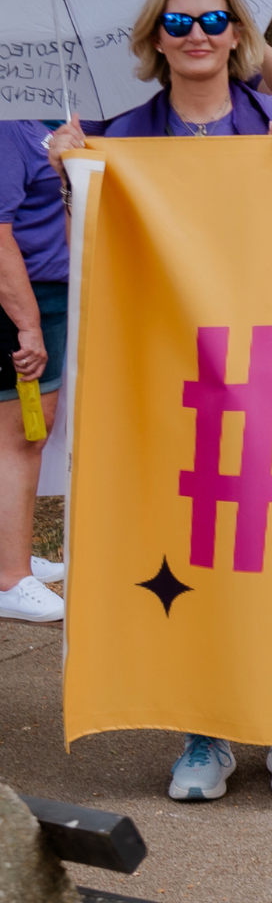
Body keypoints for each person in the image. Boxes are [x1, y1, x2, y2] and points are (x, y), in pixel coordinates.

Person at [45, 0, 272, 801]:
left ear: (237, 33)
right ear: (154, 41)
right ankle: (204, 733)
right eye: (176, 23)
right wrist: (74, 175)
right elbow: (96, 258)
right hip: (172, 381)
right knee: (194, 549)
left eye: (210, 21)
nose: (195, 35)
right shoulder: (120, 136)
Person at [0, 119, 70, 625]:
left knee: (29, 436)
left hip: (49, 293)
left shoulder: (57, 120)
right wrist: (27, 324)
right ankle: (9, 578)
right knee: (21, 436)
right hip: (23, 298)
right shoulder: (7, 128)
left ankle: (11, 553)